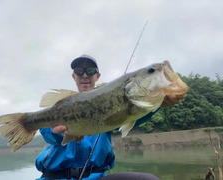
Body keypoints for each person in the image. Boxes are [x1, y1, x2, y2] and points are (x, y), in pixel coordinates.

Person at [35, 55, 186, 180]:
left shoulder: (115, 100)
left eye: (91, 70)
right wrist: (59, 134)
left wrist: (161, 102)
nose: (85, 75)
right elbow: (48, 134)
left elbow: (134, 113)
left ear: (97, 76)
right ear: (74, 76)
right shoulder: (62, 104)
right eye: (79, 71)